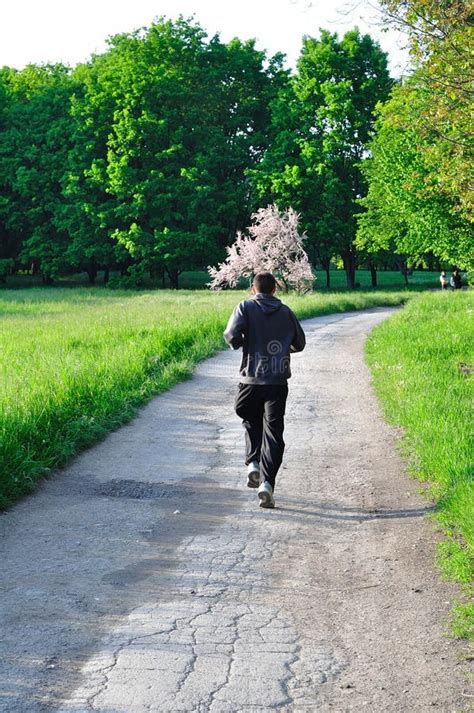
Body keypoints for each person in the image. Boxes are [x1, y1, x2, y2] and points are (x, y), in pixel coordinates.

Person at [223, 272, 306, 508]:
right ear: (275, 289)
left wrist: (242, 343)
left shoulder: (245, 307)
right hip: (277, 381)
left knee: (249, 417)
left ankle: (253, 464)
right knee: (274, 433)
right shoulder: (286, 312)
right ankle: (267, 484)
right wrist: (282, 349)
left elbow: (230, 335)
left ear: (253, 289)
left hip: (250, 380)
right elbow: (299, 343)